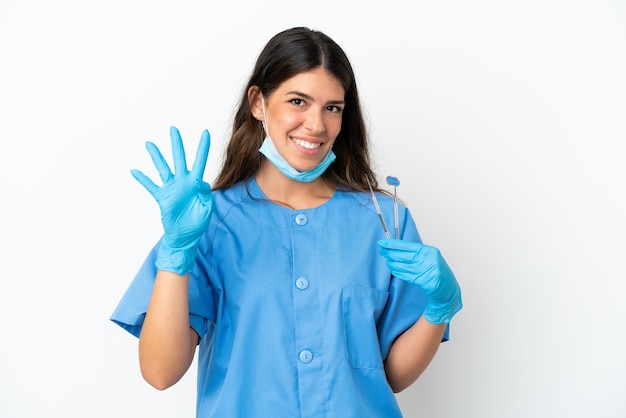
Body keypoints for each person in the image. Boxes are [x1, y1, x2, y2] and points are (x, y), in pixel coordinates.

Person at [111, 26, 462, 417]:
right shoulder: (210, 223)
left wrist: (438, 307)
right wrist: (176, 252)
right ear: (258, 102)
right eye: (298, 101)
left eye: (333, 108)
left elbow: (391, 375)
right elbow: (160, 373)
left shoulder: (383, 221)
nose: (316, 125)